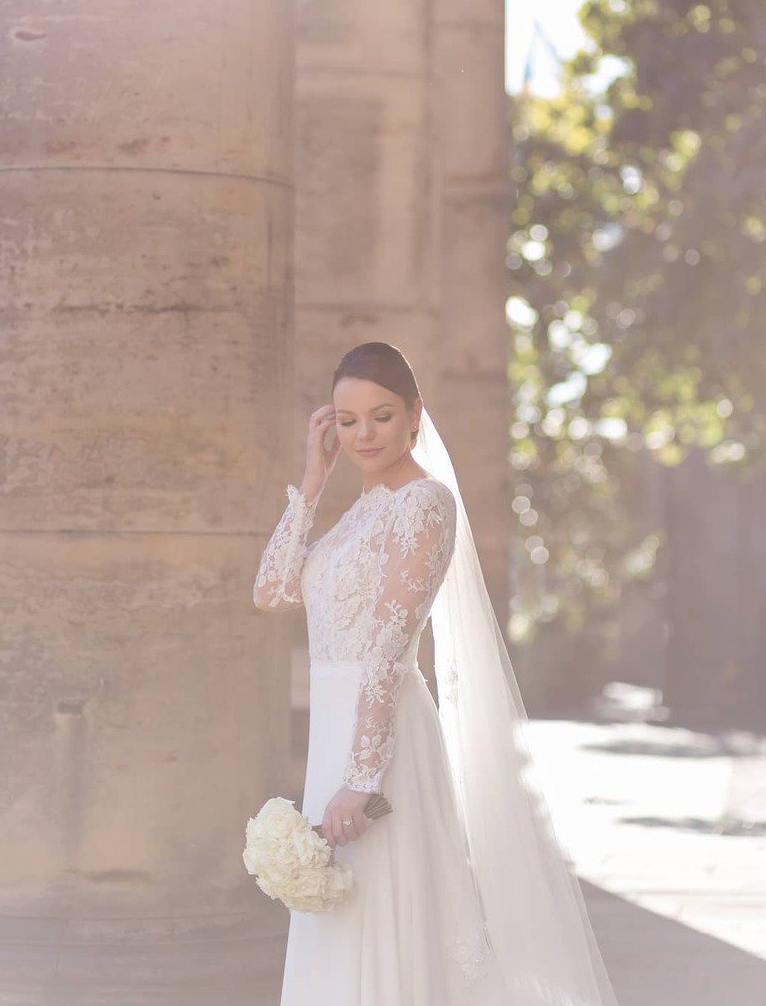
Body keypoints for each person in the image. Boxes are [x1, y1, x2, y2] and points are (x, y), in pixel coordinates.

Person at [253, 342, 621, 1005]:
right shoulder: (358, 511)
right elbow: (272, 591)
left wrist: (360, 781)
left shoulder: (424, 505)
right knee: (339, 917)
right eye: (347, 420)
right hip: (338, 737)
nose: (363, 434)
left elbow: (386, 649)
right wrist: (312, 482)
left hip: (380, 742)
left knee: (384, 915)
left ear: (415, 413)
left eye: (381, 416)